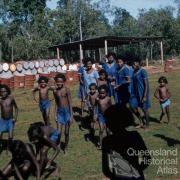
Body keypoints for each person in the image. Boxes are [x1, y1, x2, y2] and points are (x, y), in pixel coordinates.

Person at [102, 105, 151, 180]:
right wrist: (138, 170)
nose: (106, 123)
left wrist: (114, 177)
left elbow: (105, 169)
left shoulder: (107, 141)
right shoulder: (135, 136)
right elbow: (147, 158)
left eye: (107, 120)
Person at [54, 73, 73, 153]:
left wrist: (71, 115)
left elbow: (70, 102)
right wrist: (55, 114)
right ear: (56, 82)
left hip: (67, 112)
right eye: (57, 81)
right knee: (58, 132)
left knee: (66, 132)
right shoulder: (55, 91)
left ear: (64, 82)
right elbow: (56, 102)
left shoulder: (66, 89)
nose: (59, 83)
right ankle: (58, 146)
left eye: (61, 82)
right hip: (59, 112)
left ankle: (66, 147)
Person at [132, 61, 150, 129]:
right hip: (136, 93)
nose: (132, 66)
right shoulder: (134, 72)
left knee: (145, 109)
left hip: (143, 93)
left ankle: (147, 125)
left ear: (137, 63)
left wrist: (145, 96)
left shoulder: (143, 71)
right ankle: (141, 122)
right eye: (132, 65)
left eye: (134, 64)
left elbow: (146, 85)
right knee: (134, 108)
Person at [95, 85, 112, 150]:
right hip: (100, 116)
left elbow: (111, 107)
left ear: (106, 92)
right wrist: (95, 114)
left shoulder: (108, 99)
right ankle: (101, 144)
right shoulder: (98, 99)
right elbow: (95, 106)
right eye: (100, 93)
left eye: (103, 93)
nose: (102, 94)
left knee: (108, 131)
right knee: (101, 130)